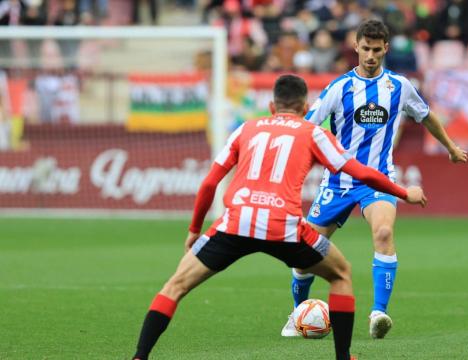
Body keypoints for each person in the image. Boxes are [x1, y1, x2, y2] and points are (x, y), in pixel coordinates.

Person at [131, 75, 427, 360]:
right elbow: (360, 172)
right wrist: (402, 192)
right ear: (306, 108)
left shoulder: (246, 128)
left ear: (272, 106)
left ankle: (140, 356)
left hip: (235, 223)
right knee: (340, 274)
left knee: (175, 285)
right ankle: (342, 357)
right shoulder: (314, 132)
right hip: (283, 227)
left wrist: (195, 229)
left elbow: (209, 183)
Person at [281, 19, 468, 340]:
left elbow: (425, 115)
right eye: (365, 48)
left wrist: (450, 147)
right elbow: (308, 125)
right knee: (304, 256)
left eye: (376, 50)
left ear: (385, 49)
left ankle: (379, 313)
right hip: (337, 183)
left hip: (378, 180)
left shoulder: (399, 86)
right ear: (355, 47)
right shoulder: (340, 88)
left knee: (383, 232)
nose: (370, 55)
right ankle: (298, 314)